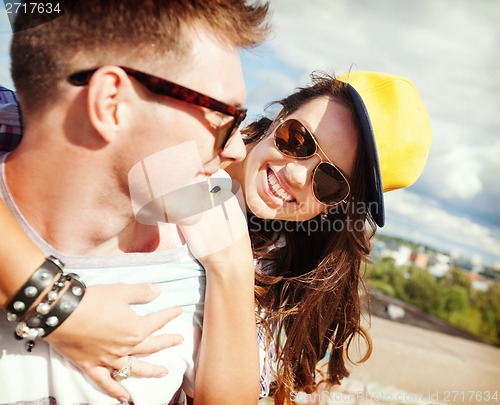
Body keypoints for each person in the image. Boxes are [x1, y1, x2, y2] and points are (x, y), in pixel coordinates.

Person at [0, 1, 270, 405]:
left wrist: (234, 270)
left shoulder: (198, 271)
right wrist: (56, 307)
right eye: (225, 118)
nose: (235, 149)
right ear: (112, 102)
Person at [224, 70, 432, 402]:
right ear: (281, 116)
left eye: (329, 181)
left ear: (334, 207)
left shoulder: (282, 271)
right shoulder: (184, 149)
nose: (294, 173)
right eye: (298, 139)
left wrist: (229, 265)